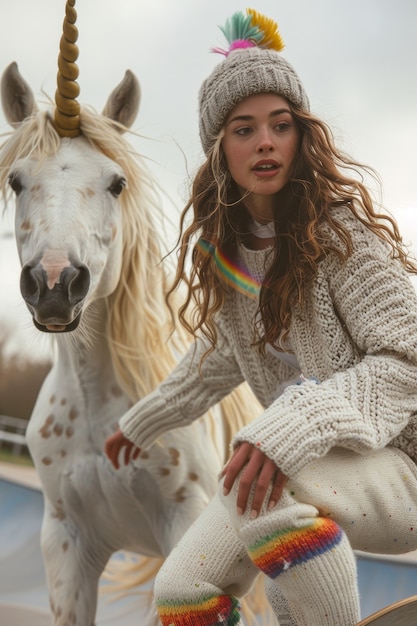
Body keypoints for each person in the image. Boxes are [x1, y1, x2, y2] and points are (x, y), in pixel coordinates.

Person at [105, 8, 417, 626]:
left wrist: (295, 420)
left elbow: (406, 358)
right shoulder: (232, 256)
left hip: (400, 465)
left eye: (281, 125)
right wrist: (142, 420)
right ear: (219, 147)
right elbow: (215, 361)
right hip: (292, 470)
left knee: (267, 484)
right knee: (181, 594)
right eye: (244, 129)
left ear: (302, 137)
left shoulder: (341, 236)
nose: (266, 142)